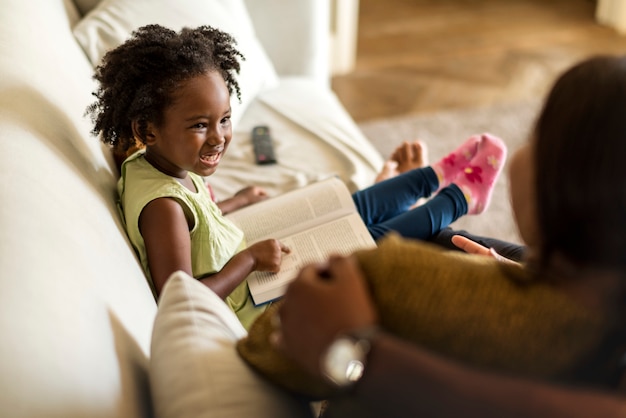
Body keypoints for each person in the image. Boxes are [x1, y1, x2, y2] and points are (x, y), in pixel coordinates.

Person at [266, 54, 626, 415]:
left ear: (563, 187)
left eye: (536, 137)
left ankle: (448, 197)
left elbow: (273, 339)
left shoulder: (396, 276)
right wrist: (521, 271)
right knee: (447, 239)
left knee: (397, 236)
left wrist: (360, 354)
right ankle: (436, 203)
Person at [86, 24, 508, 329]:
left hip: (252, 258)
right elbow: (179, 298)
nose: (219, 138)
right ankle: (461, 197)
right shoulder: (161, 207)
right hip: (263, 302)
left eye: (226, 119)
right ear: (146, 129)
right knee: (370, 239)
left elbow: (198, 220)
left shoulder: (160, 165)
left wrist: (235, 203)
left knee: (347, 206)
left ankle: (433, 177)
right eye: (200, 125)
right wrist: (248, 259)